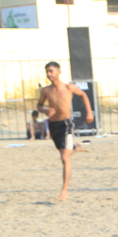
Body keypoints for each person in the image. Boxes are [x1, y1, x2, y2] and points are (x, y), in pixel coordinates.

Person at [37, 61, 94, 201]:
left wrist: (89, 113)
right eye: (47, 71)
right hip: (53, 125)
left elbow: (83, 95)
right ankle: (75, 147)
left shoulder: (69, 87)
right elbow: (39, 105)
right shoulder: (46, 91)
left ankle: (64, 191)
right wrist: (45, 110)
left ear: (59, 72)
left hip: (66, 124)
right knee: (64, 152)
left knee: (64, 157)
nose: (49, 74)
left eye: (51, 71)